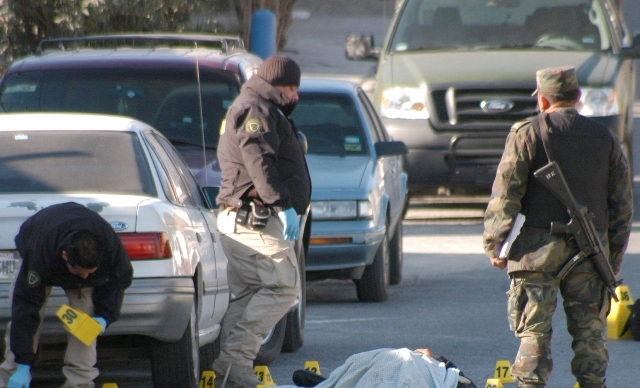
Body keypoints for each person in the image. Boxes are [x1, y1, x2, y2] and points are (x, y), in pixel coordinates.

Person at [483, 66, 633, 388]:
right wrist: (613, 256)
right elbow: (622, 206)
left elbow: (505, 193)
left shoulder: (527, 133)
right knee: (590, 333)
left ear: (542, 101)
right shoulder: (604, 138)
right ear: (578, 98)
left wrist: (495, 244)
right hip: (590, 251)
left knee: (534, 331)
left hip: (535, 251)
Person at [214, 55, 311, 387]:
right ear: (272, 83)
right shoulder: (257, 109)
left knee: (248, 295)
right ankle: (235, 363)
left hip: (245, 219)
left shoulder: (261, 107)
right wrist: (282, 204)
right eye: (290, 88)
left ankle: (230, 373)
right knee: (284, 288)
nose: (296, 96)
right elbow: (259, 160)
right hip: (254, 220)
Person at [0, 202, 133, 388]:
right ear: (65, 256)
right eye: (81, 273)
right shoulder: (40, 252)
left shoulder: (109, 244)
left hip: (75, 236)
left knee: (86, 323)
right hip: (39, 236)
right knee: (28, 317)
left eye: (90, 273)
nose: (86, 277)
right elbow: (26, 307)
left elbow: (120, 279)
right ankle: (11, 376)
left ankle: (80, 383)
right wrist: (22, 364)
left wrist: (104, 316)